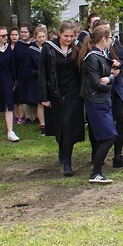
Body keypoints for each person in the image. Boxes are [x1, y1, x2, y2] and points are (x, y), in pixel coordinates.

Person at [40, 21, 84, 177]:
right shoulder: (48, 48)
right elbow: (43, 73)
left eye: (72, 36)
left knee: (69, 126)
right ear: (59, 34)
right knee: (60, 126)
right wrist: (44, 96)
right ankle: (62, 150)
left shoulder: (77, 48)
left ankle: (67, 162)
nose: (69, 39)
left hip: (74, 94)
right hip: (56, 94)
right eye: (66, 36)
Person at [79, 24, 118, 183]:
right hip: (96, 102)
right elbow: (96, 83)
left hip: (102, 101)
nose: (111, 42)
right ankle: (96, 172)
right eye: (110, 38)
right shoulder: (92, 58)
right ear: (103, 39)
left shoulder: (100, 56)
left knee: (106, 136)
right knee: (110, 136)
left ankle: (96, 170)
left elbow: (106, 78)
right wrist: (111, 81)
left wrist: (109, 78)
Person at [92, 19, 123, 169]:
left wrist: (118, 65)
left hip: (117, 86)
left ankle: (118, 155)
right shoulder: (92, 49)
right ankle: (98, 155)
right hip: (102, 88)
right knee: (101, 122)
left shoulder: (115, 44)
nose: (110, 37)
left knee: (122, 116)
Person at [24, 26, 48, 136]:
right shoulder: (31, 50)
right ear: (35, 37)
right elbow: (28, 68)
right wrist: (38, 72)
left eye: (43, 37)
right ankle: (42, 125)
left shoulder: (49, 47)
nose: (42, 39)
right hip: (37, 80)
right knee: (41, 103)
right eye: (39, 37)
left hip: (49, 79)